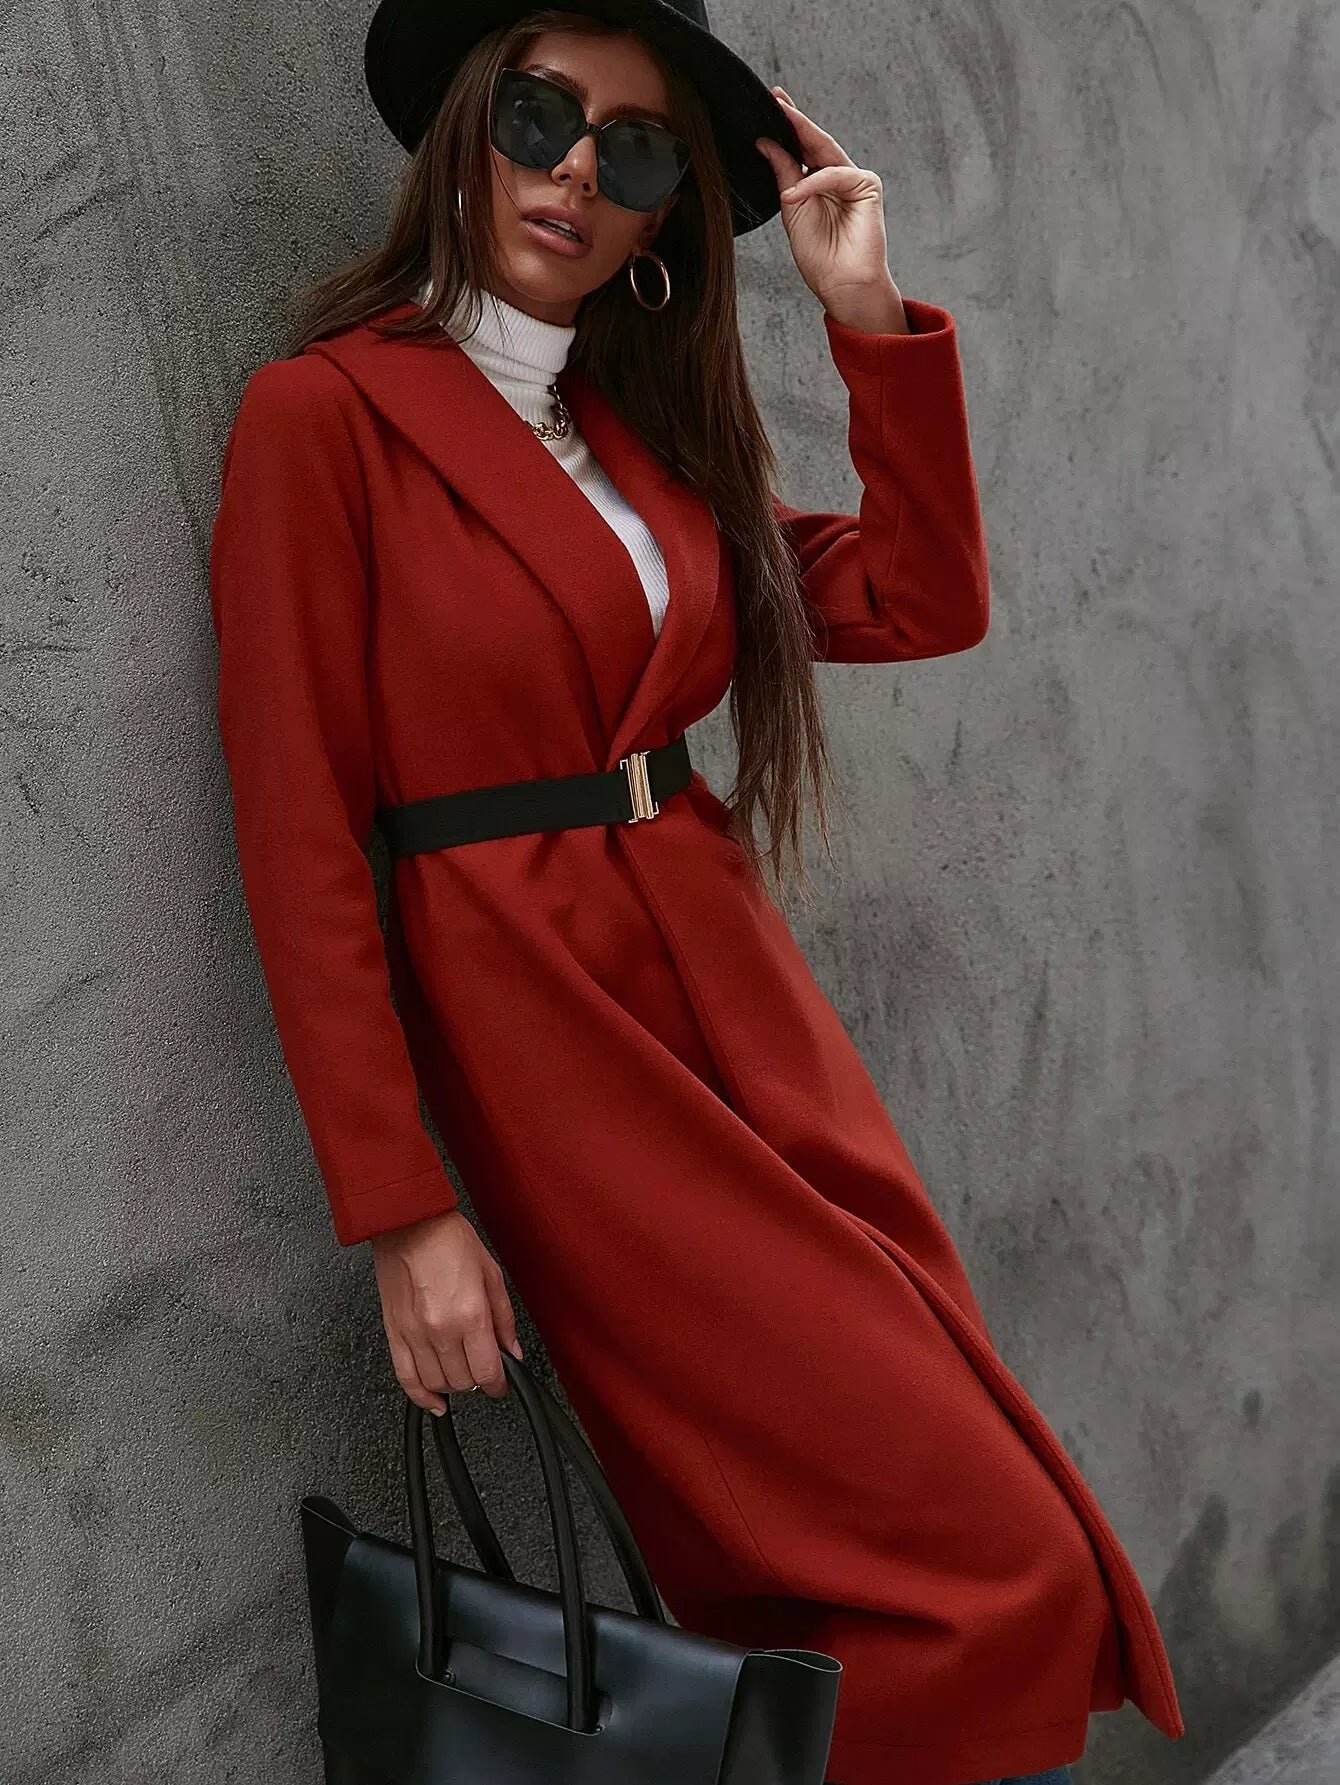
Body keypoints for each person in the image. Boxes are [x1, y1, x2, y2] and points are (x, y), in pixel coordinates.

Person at [207, 4, 1186, 1782]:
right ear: (466, 126)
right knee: (980, 1566)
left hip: (742, 1002)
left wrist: (864, 316)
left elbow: (916, 595)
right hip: (556, 1051)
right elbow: (300, 834)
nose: (578, 169)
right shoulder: (323, 418)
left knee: (905, 1545)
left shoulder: (637, 439)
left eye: (640, 150)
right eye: (540, 114)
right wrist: (404, 1211)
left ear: (663, 220)